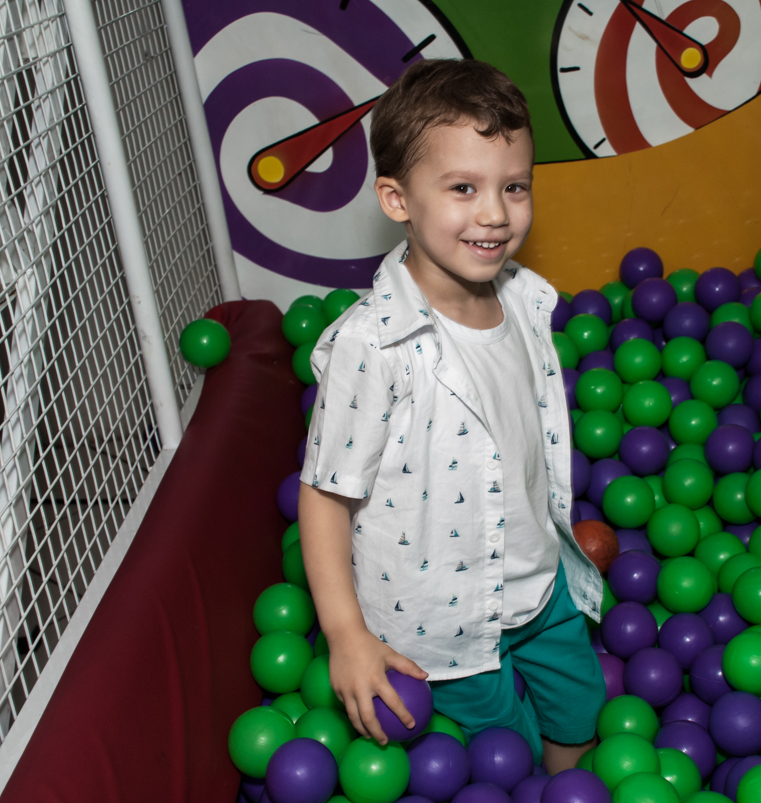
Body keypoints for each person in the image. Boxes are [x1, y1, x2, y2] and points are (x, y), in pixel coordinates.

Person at [297, 58, 604, 772]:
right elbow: (324, 493)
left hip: (538, 580)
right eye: (463, 188)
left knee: (581, 714)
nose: (494, 213)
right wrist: (345, 632)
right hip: (438, 616)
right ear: (398, 199)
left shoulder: (525, 301)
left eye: (514, 186)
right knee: (506, 759)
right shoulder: (372, 345)